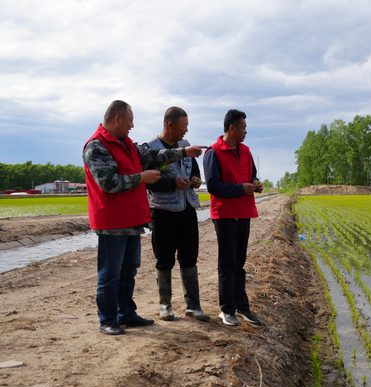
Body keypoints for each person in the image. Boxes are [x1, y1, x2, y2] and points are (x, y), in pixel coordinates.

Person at [83, 100, 205, 336]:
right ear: (117, 119)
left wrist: (184, 152)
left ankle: (126, 313)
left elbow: (155, 155)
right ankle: (108, 319)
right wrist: (142, 178)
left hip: (132, 219)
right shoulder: (97, 146)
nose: (132, 125)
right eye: (130, 120)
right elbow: (109, 183)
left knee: (129, 270)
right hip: (111, 222)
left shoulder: (127, 144)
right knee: (109, 274)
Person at [144, 107, 209, 322]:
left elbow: (194, 170)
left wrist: (195, 180)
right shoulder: (150, 149)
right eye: (184, 125)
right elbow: (150, 180)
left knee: (189, 257)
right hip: (162, 211)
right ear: (170, 125)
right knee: (164, 259)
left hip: (187, 208)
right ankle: (165, 305)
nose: (186, 130)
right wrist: (173, 182)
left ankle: (193, 305)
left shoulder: (185, 145)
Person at [203, 109, 263, 326]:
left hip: (244, 213)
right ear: (232, 128)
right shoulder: (213, 153)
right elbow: (213, 186)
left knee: (240, 262)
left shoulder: (246, 151)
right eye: (244, 127)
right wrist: (240, 189)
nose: (246, 131)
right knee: (227, 263)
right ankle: (226, 310)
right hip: (225, 215)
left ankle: (242, 306)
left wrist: (256, 184)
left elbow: (252, 175)